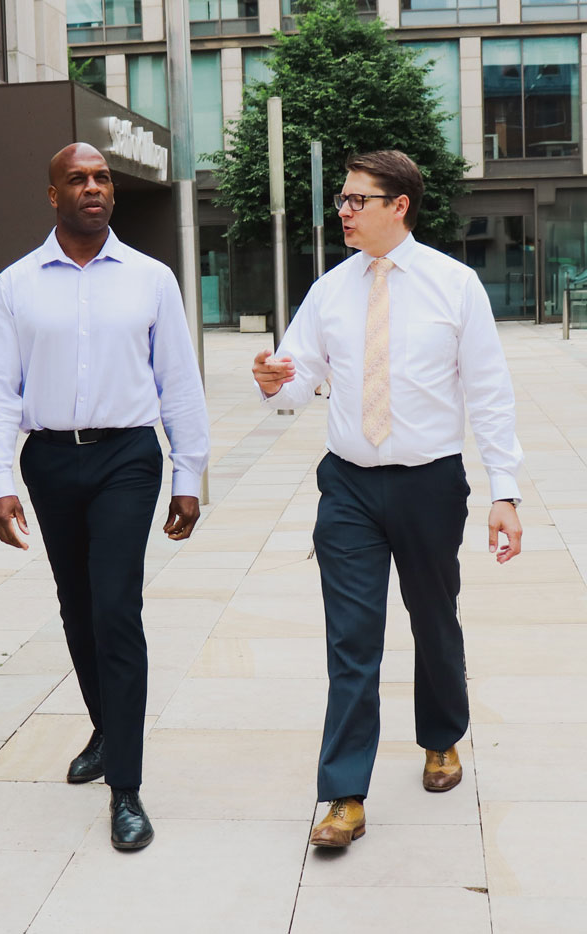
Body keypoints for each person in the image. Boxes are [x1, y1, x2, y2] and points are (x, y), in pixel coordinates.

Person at [252, 150, 523, 848]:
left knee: (434, 620)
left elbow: (489, 394)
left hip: (429, 482)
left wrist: (506, 490)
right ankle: (343, 793)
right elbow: (292, 386)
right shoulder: (328, 291)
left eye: (357, 200)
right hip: (346, 484)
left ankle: (440, 737)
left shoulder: (454, 286)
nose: (343, 210)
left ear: (399, 205)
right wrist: (270, 377)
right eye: (341, 200)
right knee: (352, 640)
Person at [0, 142, 209, 851]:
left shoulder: (150, 278)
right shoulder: (17, 284)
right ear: (53, 195)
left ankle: (127, 788)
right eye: (77, 179)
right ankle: (107, 729)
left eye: (102, 177)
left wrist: (188, 475)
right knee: (77, 608)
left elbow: (178, 379)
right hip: (48, 460)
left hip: (127, 459)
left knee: (115, 608)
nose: (93, 187)